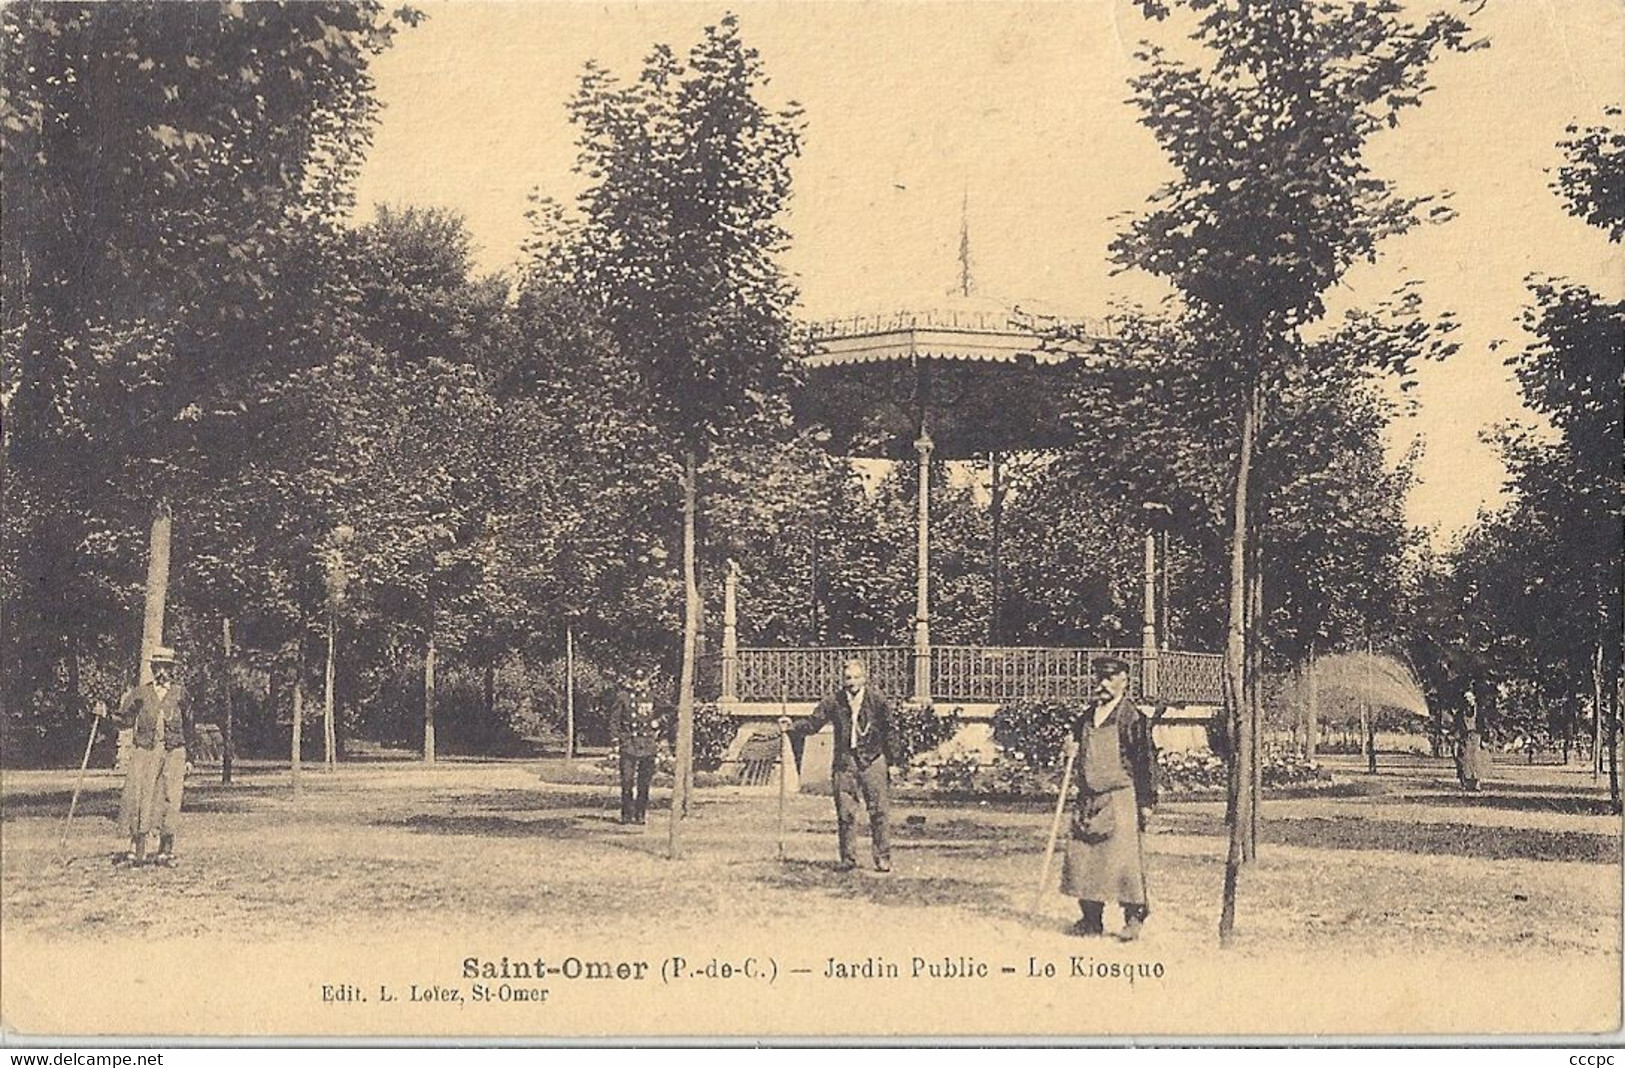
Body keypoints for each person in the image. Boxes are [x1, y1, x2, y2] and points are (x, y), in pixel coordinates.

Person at [1060, 655, 1157, 941]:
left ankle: (1133, 919)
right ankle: (1091, 920)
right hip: (1089, 798)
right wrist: (1070, 747)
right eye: (1099, 677)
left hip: (1121, 798)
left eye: (1109, 678)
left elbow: (1146, 762)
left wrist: (1147, 801)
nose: (1102, 684)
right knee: (1084, 860)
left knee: (1125, 863)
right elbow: (1076, 742)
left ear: (1124, 681)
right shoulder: (1088, 715)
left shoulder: (1132, 718)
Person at [779, 658, 900, 873]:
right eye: (848, 678)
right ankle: (848, 859)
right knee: (845, 812)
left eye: (856, 677)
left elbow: (890, 730)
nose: (851, 682)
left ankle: (882, 858)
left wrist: (894, 762)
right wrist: (791, 727)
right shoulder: (834, 701)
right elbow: (813, 723)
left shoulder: (877, 700)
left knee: (879, 811)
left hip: (873, 759)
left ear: (864, 679)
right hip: (845, 762)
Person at [114, 645, 195, 866]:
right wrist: (105, 716)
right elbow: (124, 719)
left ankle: (165, 852)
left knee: (171, 799)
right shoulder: (141, 692)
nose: (162, 672)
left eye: (167, 668)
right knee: (141, 796)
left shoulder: (180, 693)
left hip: (174, 751)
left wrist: (190, 758)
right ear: (152, 668)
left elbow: (190, 726)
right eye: (158, 667)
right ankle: (135, 851)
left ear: (172, 670)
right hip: (146, 750)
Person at [611, 668, 659, 824]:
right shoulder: (623, 697)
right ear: (630, 681)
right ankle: (626, 815)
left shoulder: (653, 697)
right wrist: (616, 743)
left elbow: (669, 712)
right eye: (635, 680)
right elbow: (614, 722)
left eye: (642, 680)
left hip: (647, 745)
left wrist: (658, 724)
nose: (638, 684)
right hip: (629, 744)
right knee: (627, 781)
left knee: (644, 783)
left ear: (647, 681)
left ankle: (640, 814)